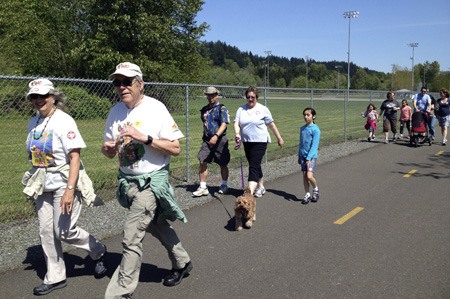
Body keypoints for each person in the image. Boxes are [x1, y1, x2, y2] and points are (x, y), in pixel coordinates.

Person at [102, 62, 192, 298]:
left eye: (127, 82)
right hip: (127, 183)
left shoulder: (156, 108)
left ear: (140, 84)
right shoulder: (115, 112)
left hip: (151, 183)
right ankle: (183, 262)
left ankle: (121, 291)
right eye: (117, 82)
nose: (121, 87)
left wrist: (145, 138)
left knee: (131, 235)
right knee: (155, 225)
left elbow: (175, 148)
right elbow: (109, 151)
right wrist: (108, 149)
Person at [22, 78, 107, 296]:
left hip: (64, 180)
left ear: (53, 98)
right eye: (34, 97)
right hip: (43, 182)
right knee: (45, 231)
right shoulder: (34, 122)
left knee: (64, 231)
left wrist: (70, 190)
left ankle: (98, 250)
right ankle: (55, 276)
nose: (39, 100)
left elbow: (75, 157)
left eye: (43, 96)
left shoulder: (64, 121)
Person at [234, 86, 284, 197]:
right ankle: (261, 187)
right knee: (255, 165)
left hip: (260, 141)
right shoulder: (241, 110)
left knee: (253, 165)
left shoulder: (263, 109)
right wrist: (237, 134)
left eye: (253, 97)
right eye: (248, 97)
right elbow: (236, 123)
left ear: (257, 97)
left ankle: (249, 192)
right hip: (247, 142)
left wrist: (279, 138)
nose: (250, 99)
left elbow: (271, 124)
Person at [192, 86, 231, 196]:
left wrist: (216, 135)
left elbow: (224, 124)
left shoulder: (221, 108)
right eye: (208, 95)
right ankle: (203, 187)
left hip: (220, 140)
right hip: (207, 140)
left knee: (222, 163)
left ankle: (224, 185)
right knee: (202, 160)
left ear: (217, 95)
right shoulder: (204, 109)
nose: (210, 97)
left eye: (213, 95)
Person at [298, 107, 321, 204]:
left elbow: (314, 145)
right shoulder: (302, 128)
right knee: (304, 176)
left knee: (309, 176)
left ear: (313, 116)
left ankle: (315, 189)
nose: (306, 117)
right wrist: (299, 156)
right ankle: (307, 194)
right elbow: (301, 144)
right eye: (304, 115)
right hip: (303, 156)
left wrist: (308, 158)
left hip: (311, 157)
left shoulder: (316, 130)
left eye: (308, 115)